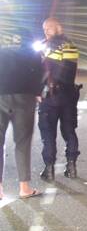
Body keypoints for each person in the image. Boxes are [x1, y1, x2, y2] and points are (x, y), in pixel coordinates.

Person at [0, 28, 43, 199]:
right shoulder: (27, 38)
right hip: (24, 96)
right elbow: (37, 68)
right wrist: (38, 91)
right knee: (22, 142)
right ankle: (24, 188)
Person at [38, 17, 81, 181]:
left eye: (48, 28)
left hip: (50, 96)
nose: (46, 31)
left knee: (48, 132)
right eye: (44, 28)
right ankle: (71, 166)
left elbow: (42, 70)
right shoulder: (71, 45)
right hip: (69, 95)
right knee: (69, 131)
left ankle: (49, 169)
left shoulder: (47, 47)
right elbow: (70, 70)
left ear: (58, 28)